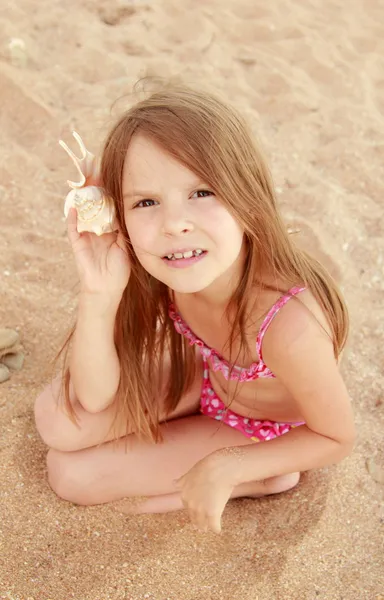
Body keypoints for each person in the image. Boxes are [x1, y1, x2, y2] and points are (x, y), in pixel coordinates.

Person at [34, 81, 356, 534]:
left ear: (247, 194)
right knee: (56, 419)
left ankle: (264, 477)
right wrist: (99, 294)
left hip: (257, 429)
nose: (174, 225)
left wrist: (229, 464)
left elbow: (336, 436)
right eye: (146, 202)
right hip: (204, 378)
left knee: (70, 475)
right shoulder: (169, 270)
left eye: (202, 193)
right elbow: (94, 397)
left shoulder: (290, 324)